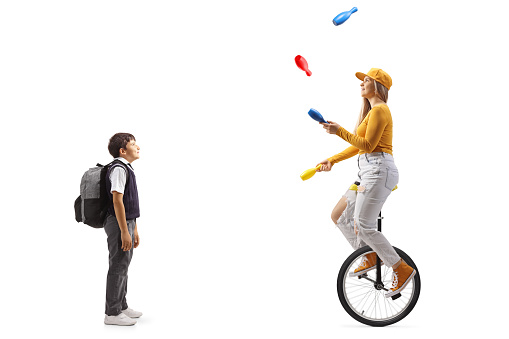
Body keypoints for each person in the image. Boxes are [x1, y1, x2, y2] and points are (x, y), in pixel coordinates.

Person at [316, 68, 415, 298]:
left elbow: (369, 146)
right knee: (339, 215)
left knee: (363, 224)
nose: (362, 84)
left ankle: (400, 267)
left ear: (378, 86)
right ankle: (369, 254)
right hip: (368, 171)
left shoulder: (381, 110)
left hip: (379, 171)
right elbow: (359, 146)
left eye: (367, 80)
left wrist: (338, 131)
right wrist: (332, 159)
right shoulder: (371, 112)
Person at [103, 133, 143, 325]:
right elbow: (117, 201)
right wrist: (124, 231)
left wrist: (133, 228)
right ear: (122, 150)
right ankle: (112, 313)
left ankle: (122, 306)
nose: (138, 147)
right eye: (134, 144)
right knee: (118, 265)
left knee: (123, 265)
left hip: (126, 223)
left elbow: (128, 202)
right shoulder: (119, 169)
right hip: (118, 224)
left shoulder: (126, 168)